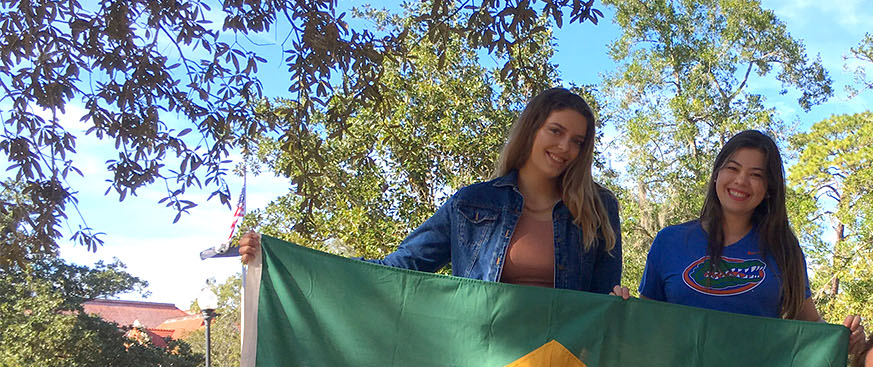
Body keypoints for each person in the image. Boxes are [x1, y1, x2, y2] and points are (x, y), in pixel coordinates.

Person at [241, 88, 624, 297]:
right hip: (486, 364)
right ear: (532, 130)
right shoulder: (473, 203)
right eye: (555, 131)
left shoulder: (598, 208)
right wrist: (282, 259)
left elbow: (603, 303)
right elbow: (400, 268)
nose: (565, 148)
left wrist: (620, 303)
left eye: (577, 140)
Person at [638, 130, 861, 339]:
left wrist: (845, 339)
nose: (741, 181)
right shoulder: (669, 241)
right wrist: (617, 306)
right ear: (716, 174)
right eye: (733, 169)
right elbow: (643, 322)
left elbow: (810, 324)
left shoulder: (783, 249)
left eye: (756, 175)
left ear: (768, 189)